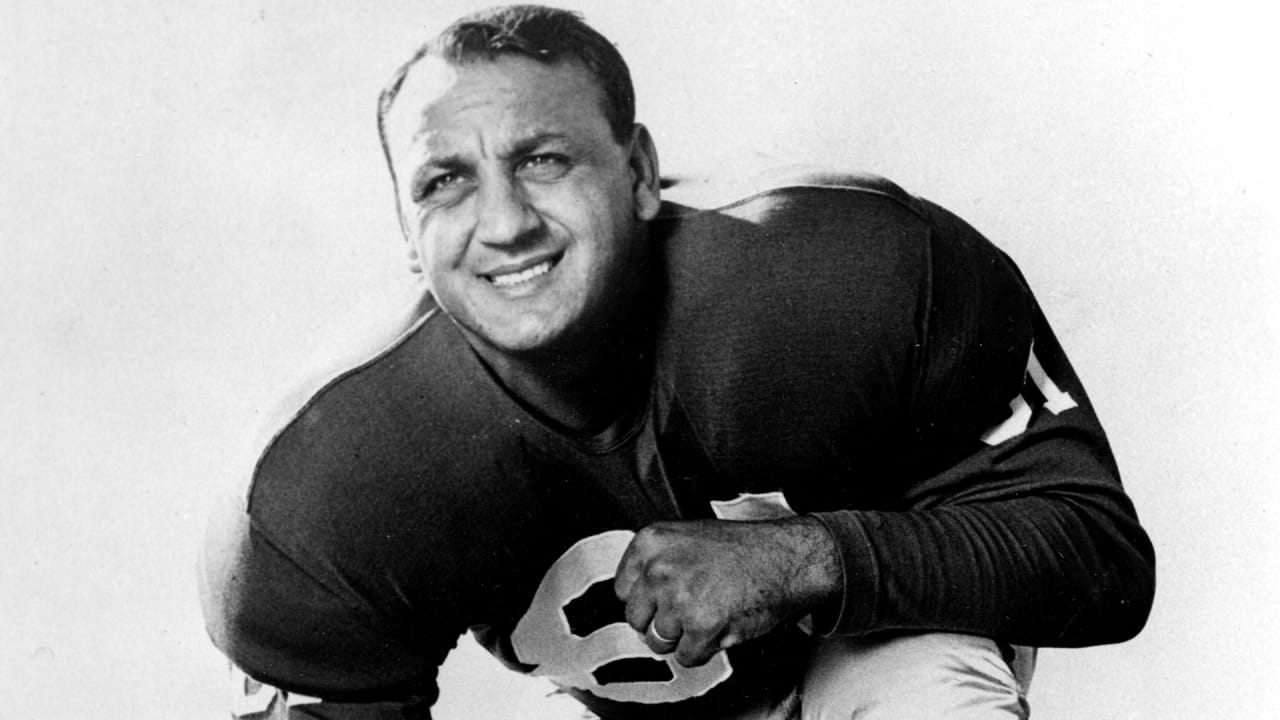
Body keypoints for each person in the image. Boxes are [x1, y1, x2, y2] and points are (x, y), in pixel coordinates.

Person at [199, 5, 1155, 719]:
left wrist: (809, 556)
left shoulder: (831, 276)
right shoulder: (329, 488)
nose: (503, 223)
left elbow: (1102, 560)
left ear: (641, 170)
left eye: (543, 160)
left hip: (893, 647)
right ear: (407, 233)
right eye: (446, 182)